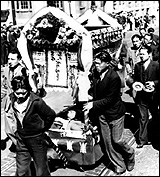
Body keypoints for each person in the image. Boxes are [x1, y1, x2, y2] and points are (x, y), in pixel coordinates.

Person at [83, 51, 135, 175]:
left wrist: (93, 104)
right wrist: (90, 96)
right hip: (102, 114)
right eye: (95, 63)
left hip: (115, 113)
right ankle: (119, 165)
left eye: (99, 64)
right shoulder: (95, 73)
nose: (96, 66)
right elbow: (95, 88)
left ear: (107, 63)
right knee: (107, 142)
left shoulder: (114, 77)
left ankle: (130, 153)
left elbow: (110, 99)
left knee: (117, 140)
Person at [8, 75, 56, 176]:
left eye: (23, 93)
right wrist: (16, 132)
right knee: (22, 168)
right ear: (13, 90)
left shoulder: (36, 102)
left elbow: (50, 115)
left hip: (36, 139)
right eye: (17, 93)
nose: (20, 96)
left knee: (41, 169)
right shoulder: (12, 98)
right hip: (21, 139)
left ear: (28, 89)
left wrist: (42, 128)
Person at [132, 45, 159, 148]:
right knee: (143, 117)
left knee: (155, 117)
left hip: (153, 96)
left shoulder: (156, 65)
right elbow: (135, 79)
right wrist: (136, 85)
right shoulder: (137, 66)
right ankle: (142, 140)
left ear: (149, 54)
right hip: (142, 96)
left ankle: (155, 137)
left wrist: (154, 83)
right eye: (140, 54)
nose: (141, 56)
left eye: (143, 54)